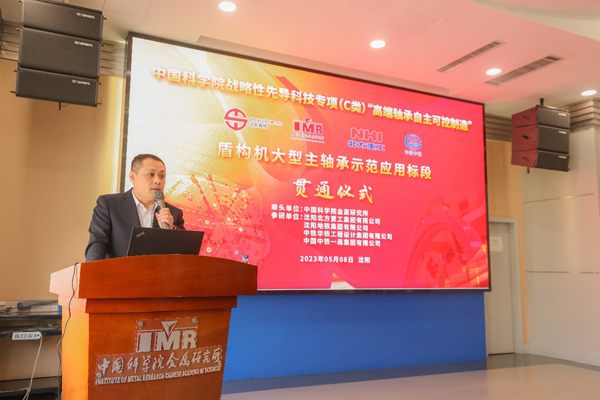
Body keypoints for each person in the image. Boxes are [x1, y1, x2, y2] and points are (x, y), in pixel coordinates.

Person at [85, 154, 185, 262]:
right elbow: (97, 243)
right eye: (151, 174)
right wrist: (94, 271)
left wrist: (172, 231)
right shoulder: (110, 205)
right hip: (119, 272)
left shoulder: (173, 213)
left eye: (162, 176)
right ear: (132, 177)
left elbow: (185, 257)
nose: (157, 180)